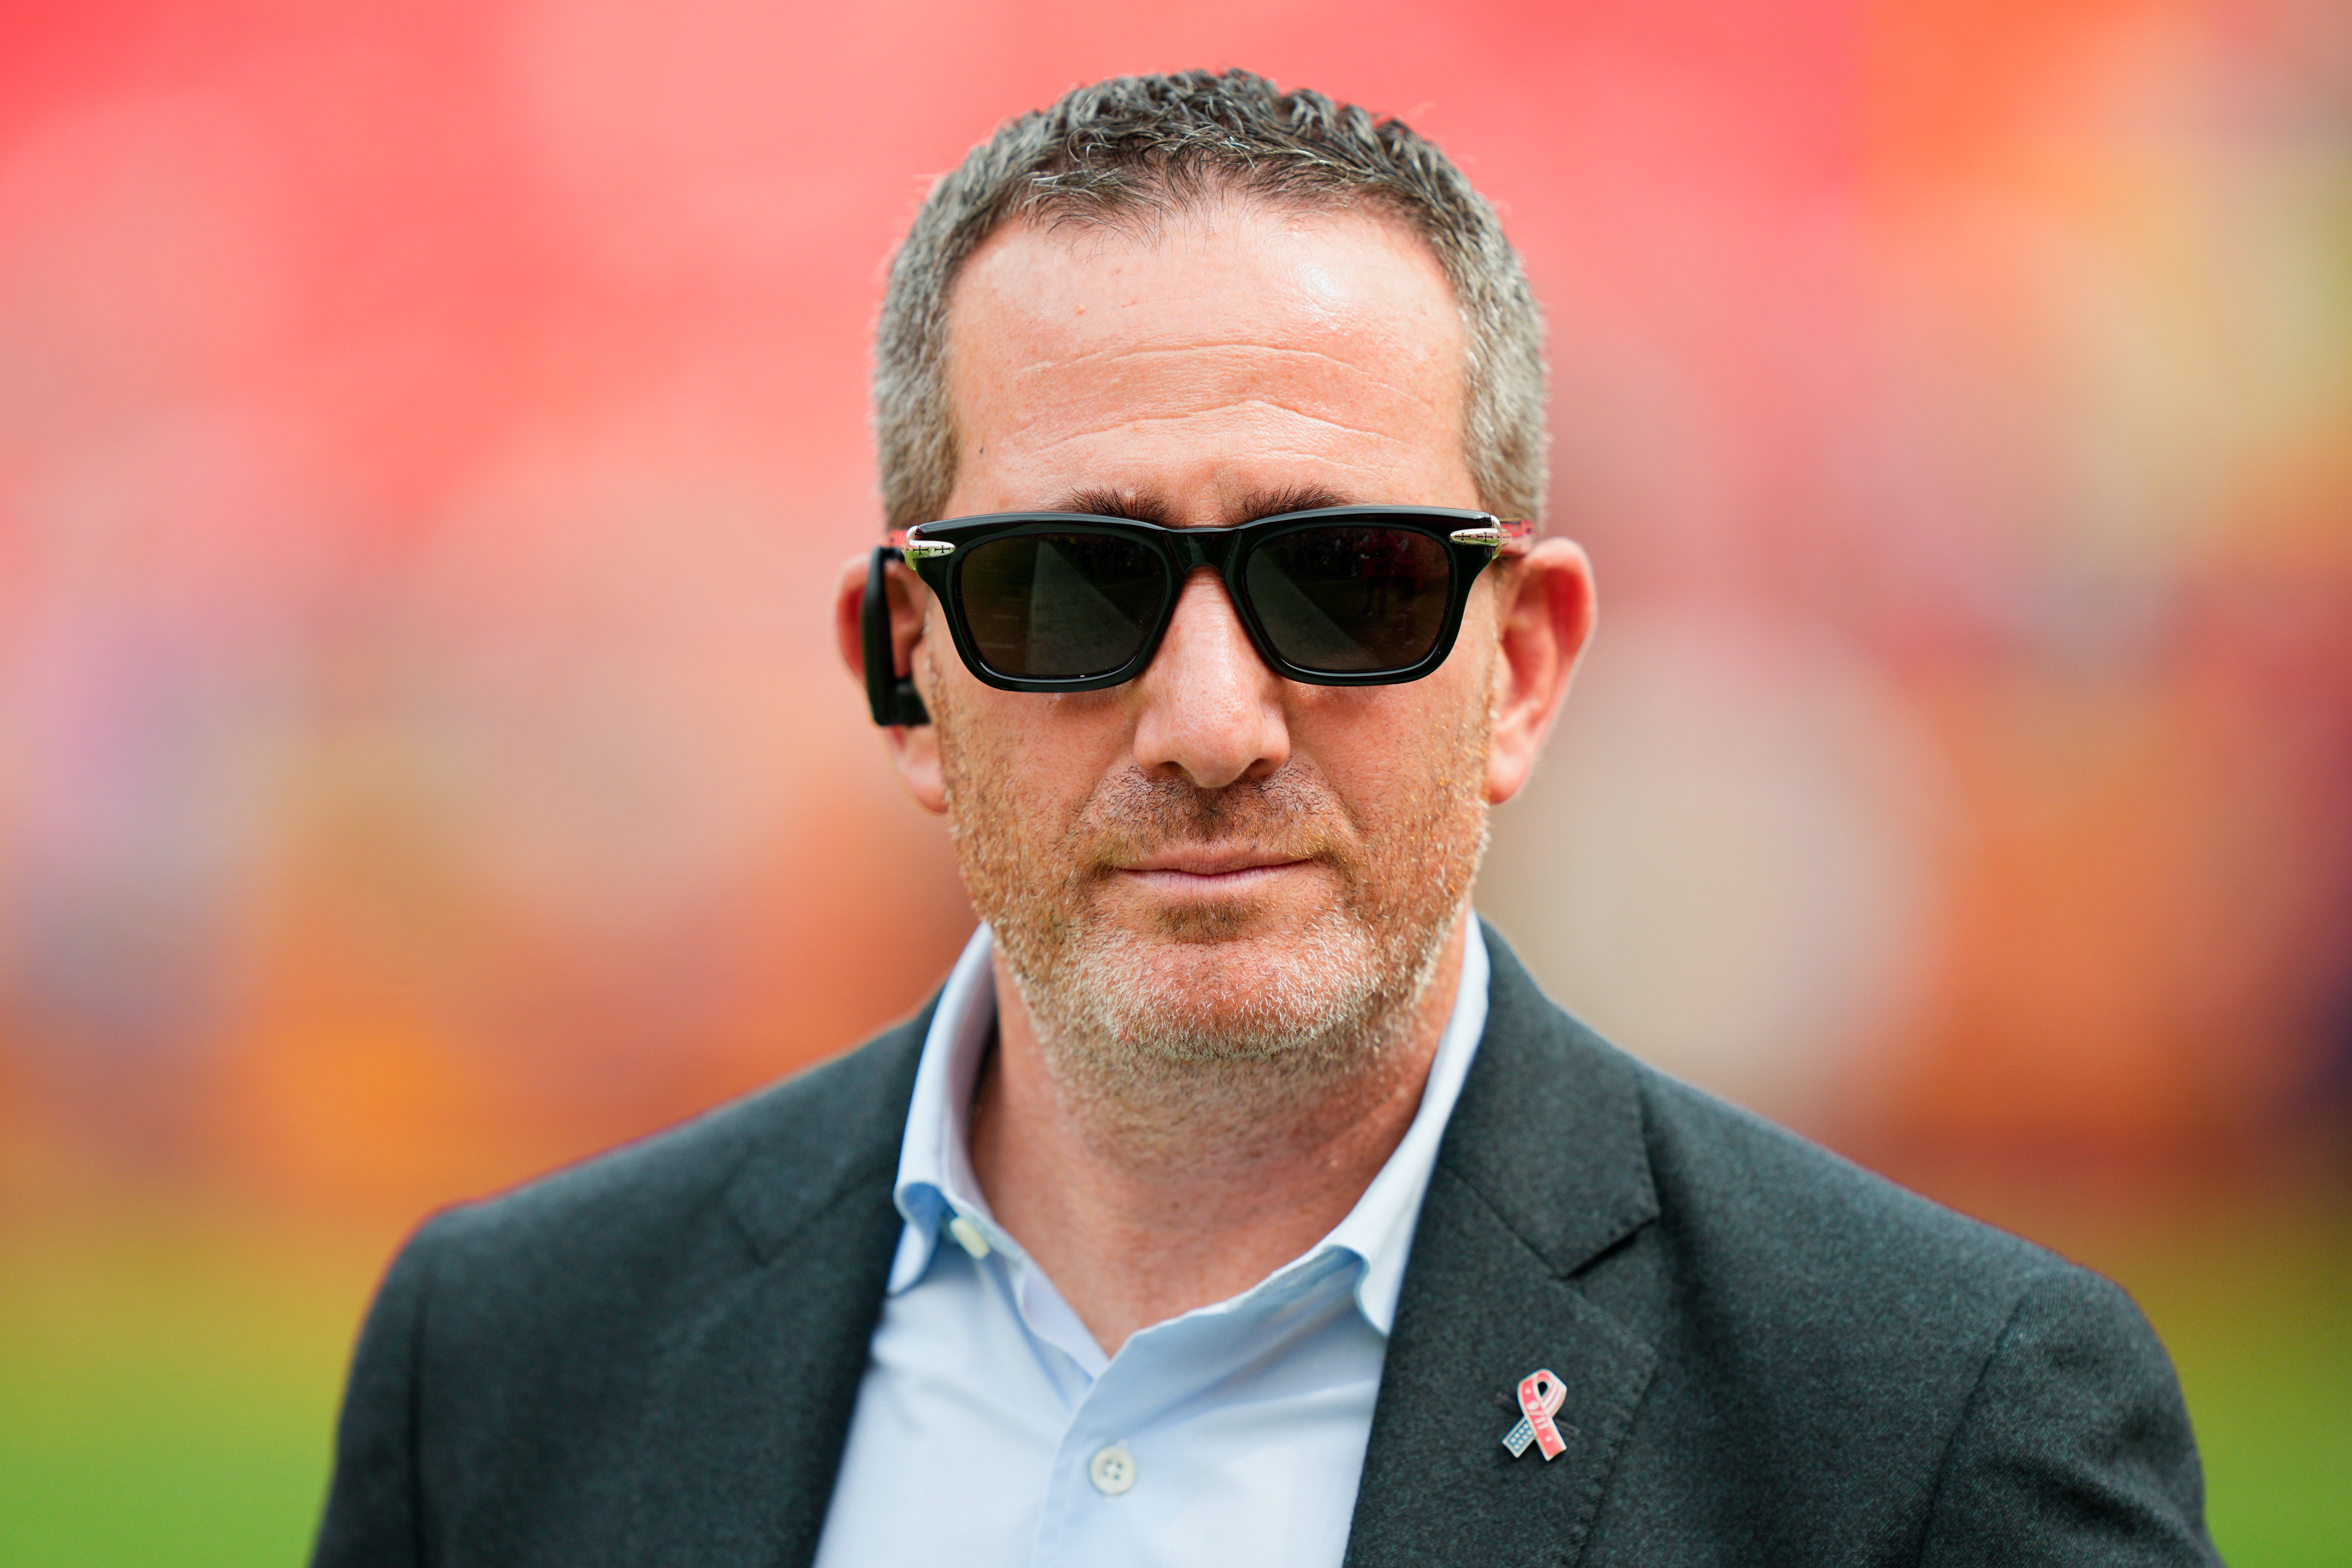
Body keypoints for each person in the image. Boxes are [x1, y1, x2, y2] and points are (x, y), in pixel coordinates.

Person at [311, 69, 2220, 1566]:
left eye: (1359, 582)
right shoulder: (498, 1371)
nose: (1212, 726)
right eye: (1069, 587)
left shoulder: (1940, 1431)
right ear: (910, 667)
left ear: (1527, 667)